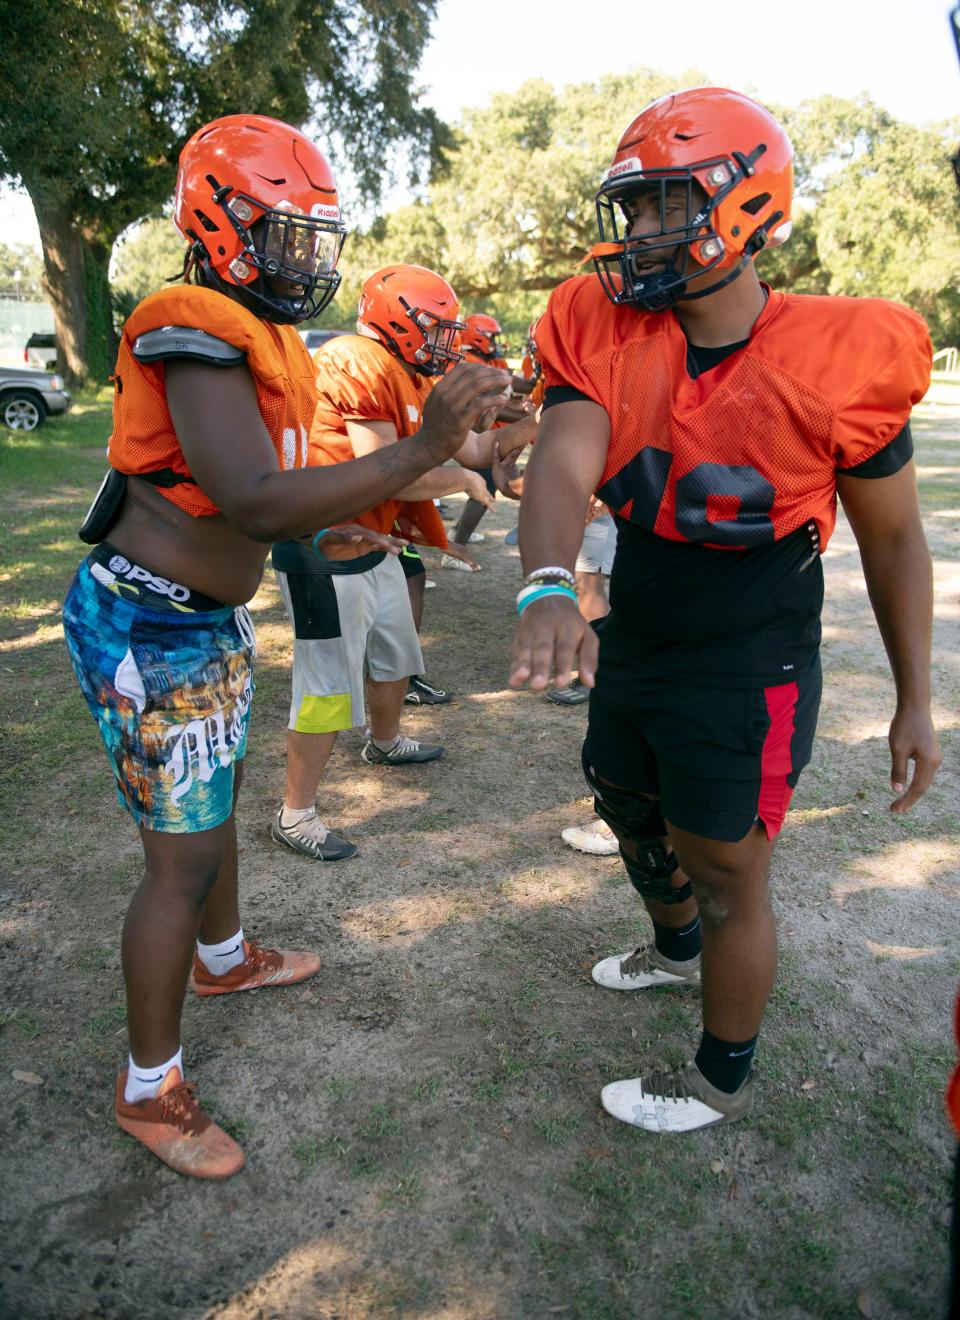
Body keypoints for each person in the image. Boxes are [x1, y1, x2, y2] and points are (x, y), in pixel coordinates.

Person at [62, 115, 511, 1178]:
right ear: (217, 224)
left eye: (317, 239)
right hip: (149, 623)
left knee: (211, 816)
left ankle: (223, 960)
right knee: (179, 863)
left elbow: (281, 494)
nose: (304, 262)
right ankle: (148, 1089)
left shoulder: (259, 335)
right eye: (283, 235)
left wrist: (358, 508)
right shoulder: (195, 326)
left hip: (196, 616)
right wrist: (423, 449)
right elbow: (254, 499)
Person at [510, 87, 940, 1132]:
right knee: (619, 796)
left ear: (749, 208)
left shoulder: (842, 354)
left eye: (669, 204)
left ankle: (718, 1075)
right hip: (645, 624)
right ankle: (672, 954)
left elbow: (891, 537)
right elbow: (564, 460)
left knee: (726, 867)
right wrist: (549, 579)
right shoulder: (593, 321)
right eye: (637, 207)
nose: (643, 231)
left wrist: (916, 697)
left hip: (752, 648)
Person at [270, 263, 507, 860]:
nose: (444, 342)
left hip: (372, 541)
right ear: (397, 321)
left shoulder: (410, 372)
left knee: (397, 651)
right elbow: (389, 468)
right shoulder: (357, 358)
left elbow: (477, 448)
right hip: (324, 545)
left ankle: (385, 739)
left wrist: (540, 416)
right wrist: (463, 480)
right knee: (325, 687)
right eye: (435, 328)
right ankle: (295, 813)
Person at [444, 313, 534, 566]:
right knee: (483, 485)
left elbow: (515, 389)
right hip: (477, 434)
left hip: (490, 433)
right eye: (491, 336)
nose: (495, 342)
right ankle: (456, 545)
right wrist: (525, 414)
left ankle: (458, 532)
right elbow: (490, 404)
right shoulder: (469, 362)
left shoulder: (492, 360)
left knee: (484, 485)